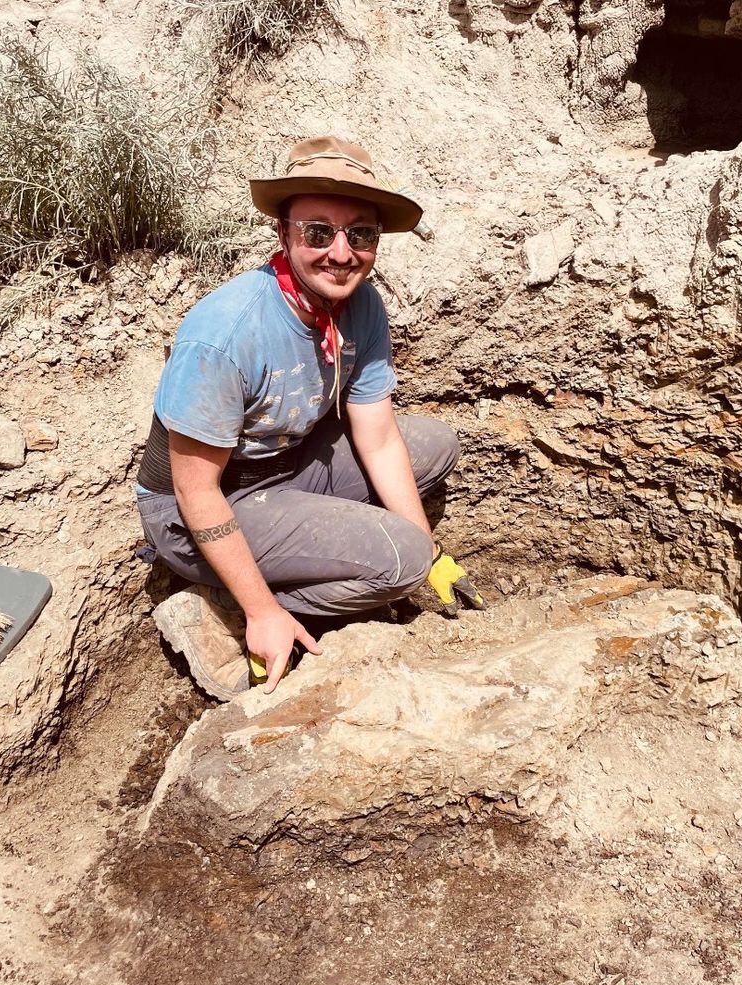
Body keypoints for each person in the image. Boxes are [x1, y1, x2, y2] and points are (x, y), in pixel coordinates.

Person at [136, 136, 484, 700]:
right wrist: (262, 609)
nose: (341, 253)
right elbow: (192, 488)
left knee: (435, 445)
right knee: (402, 562)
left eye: (361, 234)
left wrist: (434, 550)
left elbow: (379, 436)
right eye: (318, 232)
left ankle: (308, 553)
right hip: (201, 506)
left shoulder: (360, 304)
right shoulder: (226, 334)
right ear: (283, 234)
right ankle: (233, 605)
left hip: (288, 465)